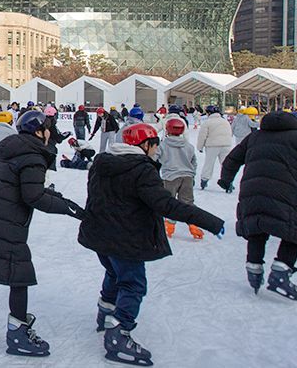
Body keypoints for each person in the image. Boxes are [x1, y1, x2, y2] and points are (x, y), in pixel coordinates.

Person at [78, 123, 224, 366]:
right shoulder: (141, 169)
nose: (157, 151)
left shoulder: (103, 164)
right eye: (155, 146)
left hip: (99, 235)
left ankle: (105, 314)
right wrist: (208, 221)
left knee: (114, 274)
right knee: (133, 284)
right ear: (145, 145)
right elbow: (167, 205)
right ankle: (119, 333)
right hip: (125, 239)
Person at [0, 110, 85, 357]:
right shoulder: (32, 157)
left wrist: (63, 200)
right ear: (39, 132)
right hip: (7, 221)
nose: (50, 132)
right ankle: (18, 331)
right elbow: (34, 196)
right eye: (48, 127)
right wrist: (68, 209)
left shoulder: (15, 151)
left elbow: (29, 189)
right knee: (20, 273)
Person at [219, 110, 297, 301]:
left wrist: (226, 179)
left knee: (257, 224)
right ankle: (282, 268)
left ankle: (254, 266)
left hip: (252, 190)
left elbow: (233, 158)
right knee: (294, 229)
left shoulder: (255, 137)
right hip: (288, 193)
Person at [157, 118, 202, 239]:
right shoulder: (188, 146)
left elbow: (155, 159)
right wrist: (192, 174)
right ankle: (194, 224)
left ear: (167, 130)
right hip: (187, 177)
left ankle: (169, 226)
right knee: (187, 202)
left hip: (170, 178)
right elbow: (194, 162)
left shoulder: (163, 145)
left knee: (169, 202)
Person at [196, 105, 232, 189]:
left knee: (209, 163)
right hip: (226, 145)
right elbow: (229, 133)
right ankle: (228, 181)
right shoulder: (224, 121)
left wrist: (200, 147)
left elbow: (202, 136)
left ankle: (204, 180)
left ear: (209, 113)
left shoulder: (207, 122)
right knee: (225, 164)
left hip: (212, 145)